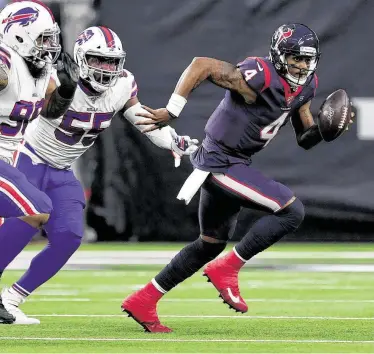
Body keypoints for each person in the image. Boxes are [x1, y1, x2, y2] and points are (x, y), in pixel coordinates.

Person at [121, 23, 354, 332]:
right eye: (294, 58)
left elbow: (305, 137)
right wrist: (173, 110)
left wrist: (327, 129)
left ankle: (143, 300)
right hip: (220, 161)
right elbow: (201, 65)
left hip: (233, 161)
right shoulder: (261, 75)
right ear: (278, 55)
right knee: (291, 210)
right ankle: (228, 268)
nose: (300, 65)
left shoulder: (306, 87)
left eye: (306, 59)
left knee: (210, 243)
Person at [0, 25, 198, 325]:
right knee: (28, 220)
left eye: (111, 62)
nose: (106, 69)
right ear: (80, 58)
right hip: (29, 157)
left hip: (61, 168)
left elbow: (141, 118)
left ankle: (13, 298)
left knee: (69, 235)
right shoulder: (54, 76)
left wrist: (173, 141)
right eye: (98, 60)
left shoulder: (122, 85)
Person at [0, 0, 79, 324]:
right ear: (19, 35)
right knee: (36, 207)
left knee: (28, 216)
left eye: (51, 39)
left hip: (8, 159)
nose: (50, 47)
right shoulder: (4, 66)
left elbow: (48, 112)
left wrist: (67, 89)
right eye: (43, 38)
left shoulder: (40, 71)